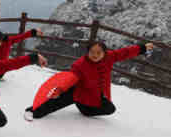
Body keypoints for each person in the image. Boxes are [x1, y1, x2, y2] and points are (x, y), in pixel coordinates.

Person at [24, 41, 155, 121]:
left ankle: (84, 109)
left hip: (94, 93)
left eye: (99, 52)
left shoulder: (110, 57)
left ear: (105, 53)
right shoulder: (80, 64)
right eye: (92, 52)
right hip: (78, 90)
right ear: (87, 52)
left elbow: (126, 52)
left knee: (109, 108)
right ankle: (33, 111)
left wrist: (143, 48)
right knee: (57, 102)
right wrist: (59, 90)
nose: (95, 55)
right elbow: (70, 79)